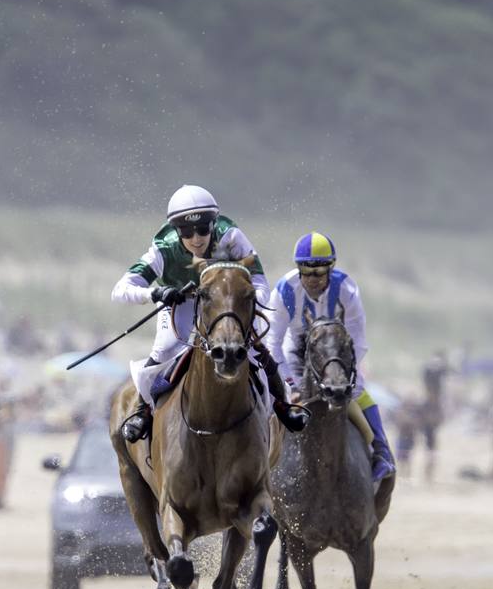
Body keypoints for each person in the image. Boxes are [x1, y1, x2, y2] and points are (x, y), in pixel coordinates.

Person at [111, 184, 306, 443]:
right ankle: (142, 410)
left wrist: (244, 302)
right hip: (182, 304)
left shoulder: (231, 237)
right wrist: (155, 294)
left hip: (224, 305)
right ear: (175, 230)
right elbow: (120, 290)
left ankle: (282, 405)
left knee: (255, 347)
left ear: (213, 224)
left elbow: (260, 282)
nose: (196, 238)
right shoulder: (162, 249)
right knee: (164, 350)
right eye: (186, 231)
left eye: (203, 228)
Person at [267, 231, 394, 481]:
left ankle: (381, 451)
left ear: (331, 268)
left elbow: (358, 339)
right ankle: (260, 462)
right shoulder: (284, 290)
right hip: (296, 353)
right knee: (269, 395)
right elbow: (273, 342)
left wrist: (350, 375)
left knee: (358, 392)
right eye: (306, 271)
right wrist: (289, 383)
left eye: (319, 272)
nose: (312, 279)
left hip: (336, 351)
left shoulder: (346, 288)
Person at [420, 350, 449, 482]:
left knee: (431, 450)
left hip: (429, 427)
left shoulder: (432, 401)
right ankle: (427, 475)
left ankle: (428, 475)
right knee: (430, 449)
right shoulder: (430, 402)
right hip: (428, 428)